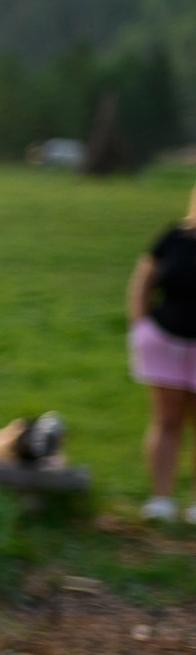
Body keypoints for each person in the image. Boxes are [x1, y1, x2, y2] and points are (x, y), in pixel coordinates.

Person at [127, 185, 196, 523]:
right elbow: (143, 281)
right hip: (165, 342)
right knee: (167, 422)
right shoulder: (175, 236)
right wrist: (141, 327)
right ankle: (161, 499)